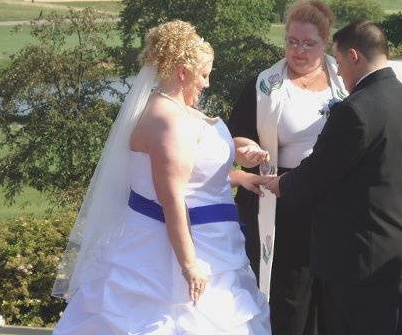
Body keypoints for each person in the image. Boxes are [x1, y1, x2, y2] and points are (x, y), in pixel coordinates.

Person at [52, 20, 271, 334]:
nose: (206, 84)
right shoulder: (167, 123)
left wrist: (238, 167)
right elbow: (172, 199)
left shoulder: (175, 111)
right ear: (182, 72)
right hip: (168, 251)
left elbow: (194, 170)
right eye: (204, 75)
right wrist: (189, 265)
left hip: (215, 240)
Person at [265, 20, 402, 335]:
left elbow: (319, 172)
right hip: (395, 244)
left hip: (356, 255)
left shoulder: (354, 110)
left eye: (338, 62)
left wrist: (279, 183)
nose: (337, 72)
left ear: (353, 56)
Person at [228, 0, 347, 335]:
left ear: (325, 43)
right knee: (289, 296)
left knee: (332, 294)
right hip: (282, 200)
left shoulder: (345, 81)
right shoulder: (265, 85)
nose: (299, 51)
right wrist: (248, 149)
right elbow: (237, 137)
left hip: (332, 201)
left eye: (309, 43)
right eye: (292, 41)